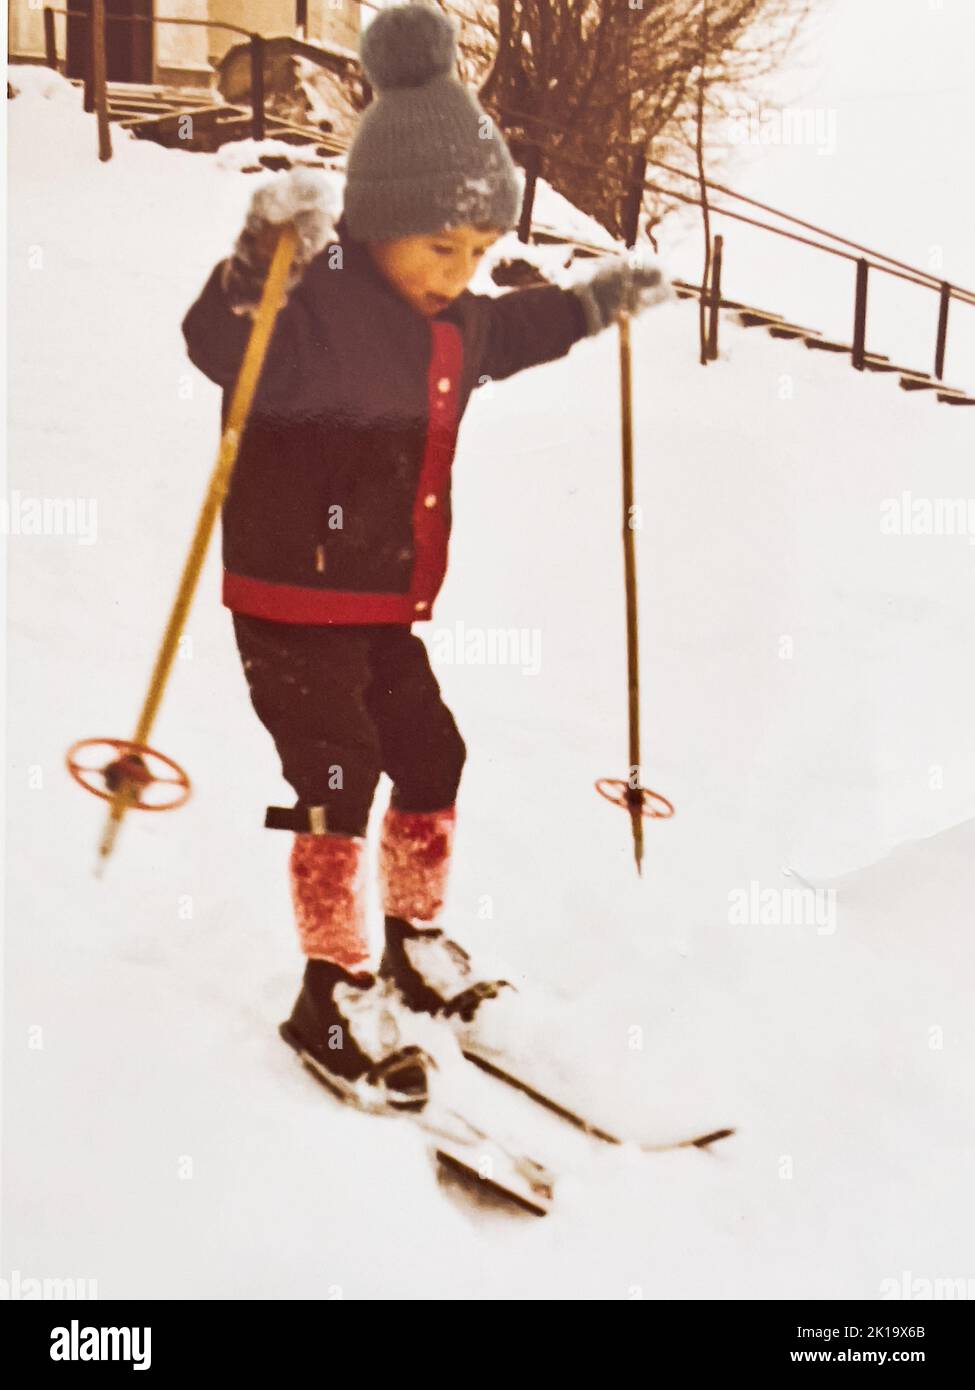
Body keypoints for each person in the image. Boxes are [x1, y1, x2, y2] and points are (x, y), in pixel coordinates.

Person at [181, 2, 672, 1107]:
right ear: (377, 221)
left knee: (433, 754)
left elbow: (526, 325)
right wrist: (257, 256)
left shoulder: (460, 321)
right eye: (440, 245)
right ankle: (333, 982)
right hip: (287, 599)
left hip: (382, 603)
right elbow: (221, 335)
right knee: (338, 773)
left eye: (478, 249)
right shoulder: (311, 307)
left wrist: (601, 299)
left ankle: (412, 936)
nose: (460, 268)